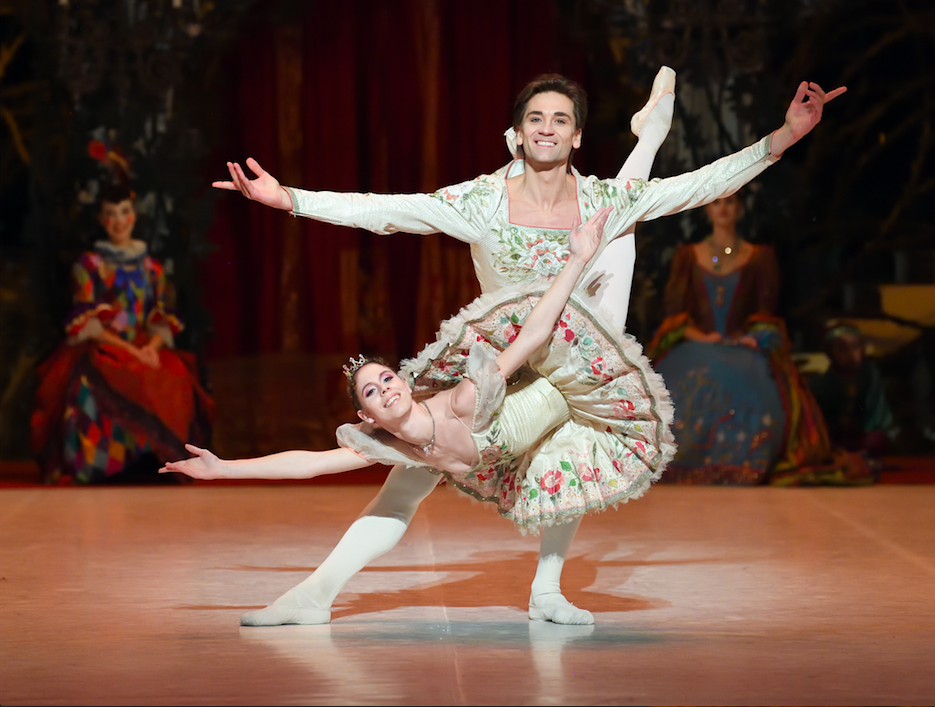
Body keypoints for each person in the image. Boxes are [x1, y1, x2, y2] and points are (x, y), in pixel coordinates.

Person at [208, 71, 845, 624]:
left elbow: (699, 187)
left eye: (560, 120)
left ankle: (546, 590)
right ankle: (315, 595)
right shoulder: (482, 202)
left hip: (576, 353)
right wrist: (289, 199)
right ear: (517, 135)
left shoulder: (600, 198)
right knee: (408, 478)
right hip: (501, 361)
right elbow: (387, 211)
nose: (546, 128)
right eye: (535, 118)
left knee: (600, 288)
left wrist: (785, 134)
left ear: (575, 137)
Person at [165, 205, 676, 627]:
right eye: (371, 390)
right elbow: (311, 463)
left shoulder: (463, 400)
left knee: (618, 256)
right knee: (396, 501)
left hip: (572, 386)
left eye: (387, 378)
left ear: (406, 383)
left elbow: (532, 336)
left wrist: (577, 260)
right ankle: (312, 598)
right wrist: (223, 468)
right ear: (365, 416)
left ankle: (647, 142)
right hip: (488, 448)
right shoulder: (393, 445)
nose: (384, 388)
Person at [646, 191, 837, 484]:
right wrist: (702, 336)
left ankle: (742, 463)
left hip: (741, 345)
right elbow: (676, 315)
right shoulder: (688, 256)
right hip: (697, 344)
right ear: (706, 210)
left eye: (730, 202)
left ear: (740, 209)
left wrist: (754, 337)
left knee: (743, 377)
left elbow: (764, 311)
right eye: (716, 202)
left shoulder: (758, 258)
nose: (723, 209)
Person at [31, 183, 215, 484]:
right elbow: (88, 324)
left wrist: (152, 347)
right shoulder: (90, 265)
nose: (119, 221)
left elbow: (161, 317)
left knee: (175, 375)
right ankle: (102, 465)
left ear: (133, 216)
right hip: (105, 345)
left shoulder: (152, 268)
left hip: (143, 344)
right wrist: (129, 350)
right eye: (111, 214)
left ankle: (158, 462)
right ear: (103, 220)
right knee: (90, 380)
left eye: (124, 213)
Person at [808, 322, 894, 460]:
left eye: (855, 347)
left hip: (861, 434)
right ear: (830, 353)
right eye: (842, 348)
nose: (850, 354)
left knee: (876, 439)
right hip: (833, 436)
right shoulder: (820, 385)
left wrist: (867, 427)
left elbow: (875, 408)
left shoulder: (870, 375)